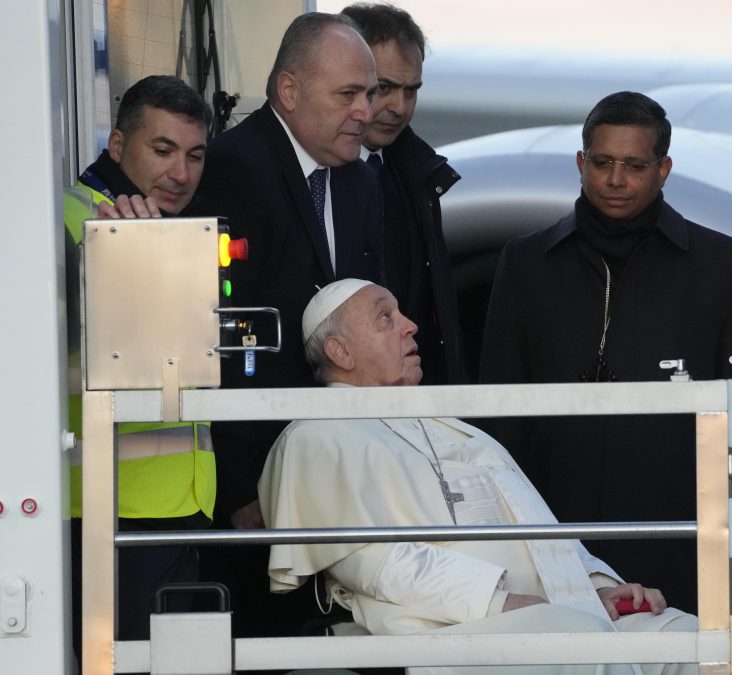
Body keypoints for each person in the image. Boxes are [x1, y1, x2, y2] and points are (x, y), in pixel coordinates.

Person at [259, 279, 697, 675]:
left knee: (694, 642)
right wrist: (497, 600)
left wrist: (596, 588)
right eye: (385, 318)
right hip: (444, 626)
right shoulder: (317, 436)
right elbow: (373, 564)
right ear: (340, 352)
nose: (411, 326)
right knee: (584, 646)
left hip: (549, 610)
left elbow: (533, 525)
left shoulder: (448, 423)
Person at [478, 92, 732, 613]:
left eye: (634, 166)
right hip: (553, 527)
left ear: (663, 170)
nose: (616, 180)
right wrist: (498, 526)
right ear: (580, 162)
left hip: (682, 525)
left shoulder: (721, 264)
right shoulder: (525, 262)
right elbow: (500, 403)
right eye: (602, 163)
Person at [195, 11, 383, 635]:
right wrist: (247, 488)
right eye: (348, 94)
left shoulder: (360, 179)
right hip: (258, 485)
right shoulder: (231, 169)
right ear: (290, 91)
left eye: (371, 92)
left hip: (336, 471)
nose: (365, 110)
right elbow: (226, 342)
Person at [63, 74, 215, 648]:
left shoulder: (149, 224)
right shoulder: (88, 222)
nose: (181, 173)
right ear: (117, 146)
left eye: (195, 155)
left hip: (164, 505)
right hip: (114, 509)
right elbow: (150, 351)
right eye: (163, 150)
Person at [340, 3, 467, 385]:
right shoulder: (315, 178)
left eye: (411, 91)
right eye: (384, 89)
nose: (399, 107)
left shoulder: (418, 175)